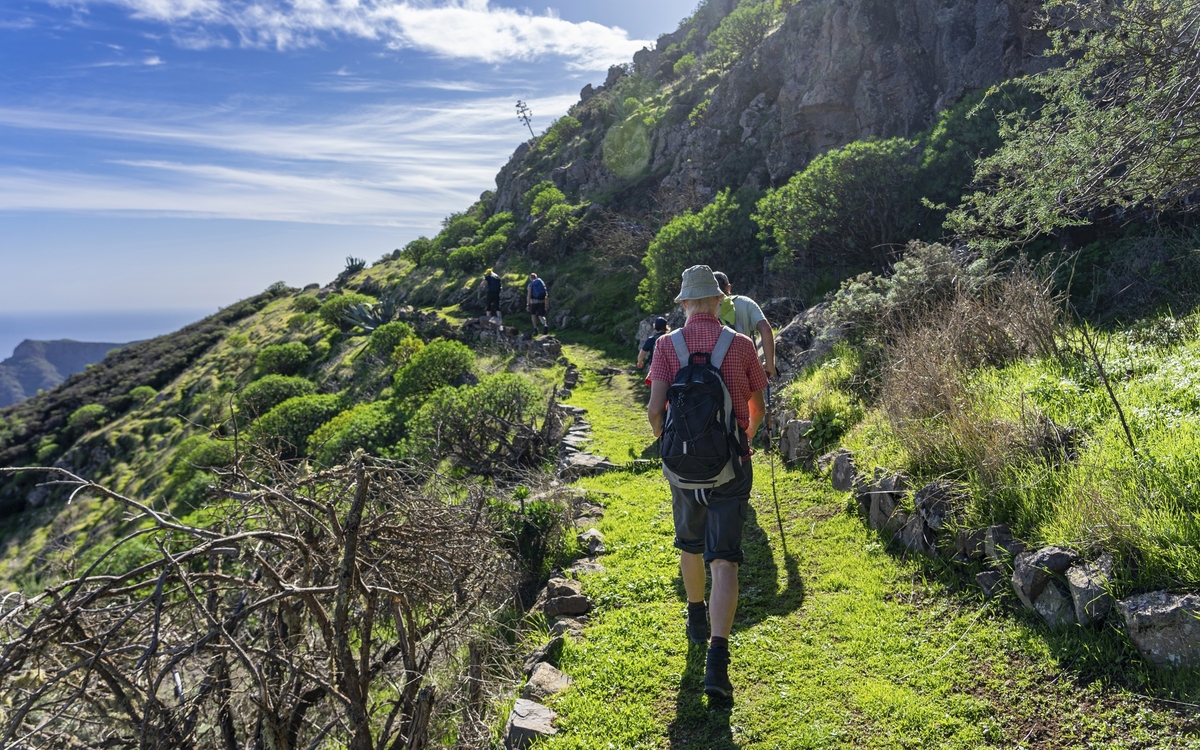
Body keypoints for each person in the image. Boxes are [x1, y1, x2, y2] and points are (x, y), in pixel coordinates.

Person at [647, 265, 768, 700]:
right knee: (726, 560)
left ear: (683, 305)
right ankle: (718, 662)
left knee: (690, 545)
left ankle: (694, 616)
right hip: (731, 467)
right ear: (719, 301)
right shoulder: (738, 344)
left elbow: (654, 412)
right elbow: (757, 407)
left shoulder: (665, 345)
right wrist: (744, 440)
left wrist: (676, 451)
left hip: (683, 471)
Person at [712, 271, 776, 378]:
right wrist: (770, 366)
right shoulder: (745, 302)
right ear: (728, 288)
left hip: (717, 375)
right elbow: (766, 329)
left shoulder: (706, 309)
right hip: (744, 371)